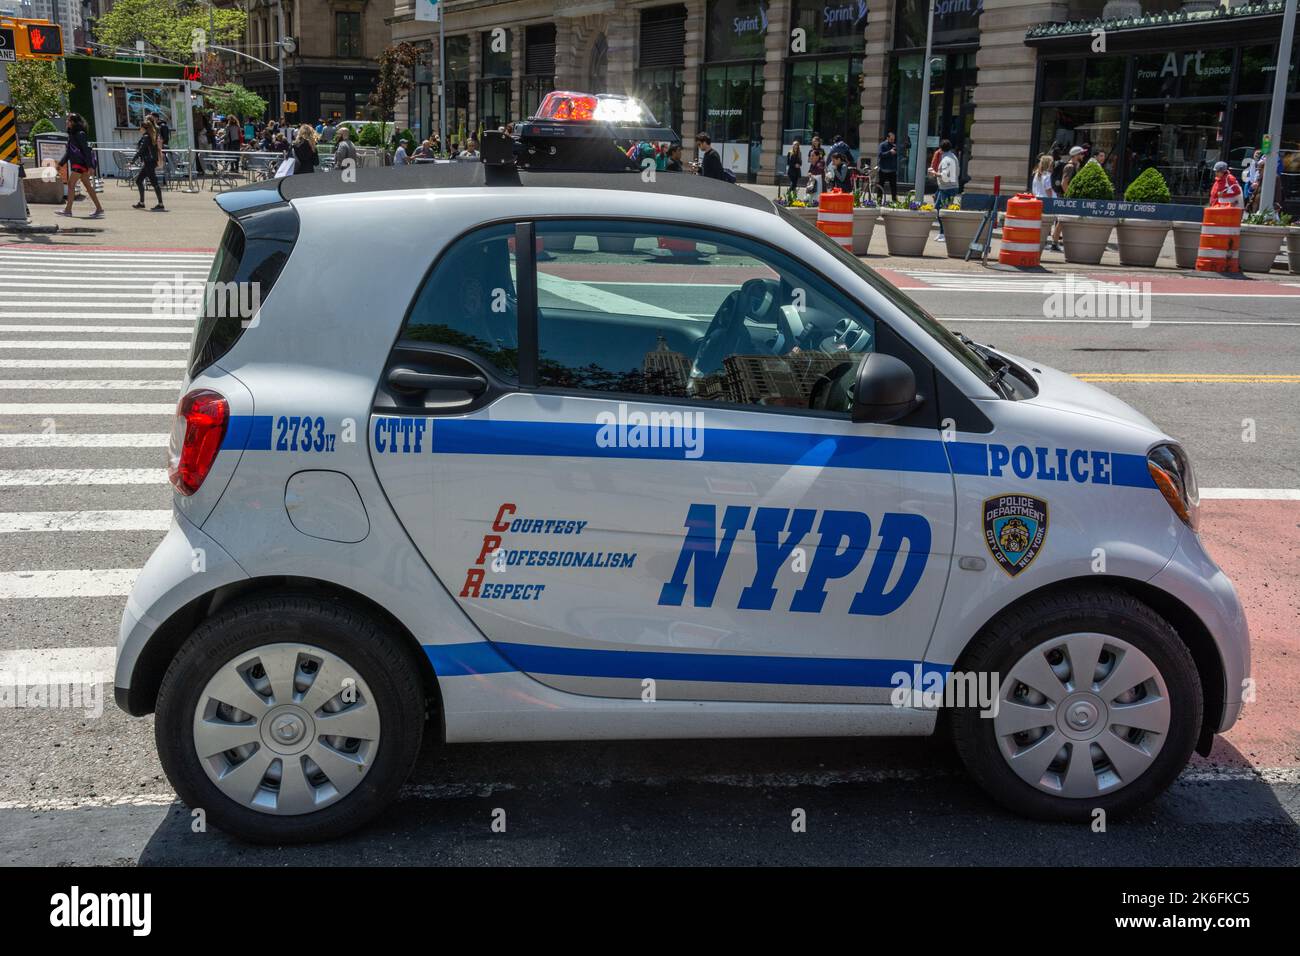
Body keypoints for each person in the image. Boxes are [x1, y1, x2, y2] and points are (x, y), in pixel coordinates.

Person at [54, 113, 104, 219]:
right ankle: (99, 209)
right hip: (80, 164)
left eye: (68, 120)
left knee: (71, 184)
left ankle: (68, 210)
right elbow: (69, 152)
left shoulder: (80, 134)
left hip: (80, 164)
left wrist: (90, 166)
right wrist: (60, 164)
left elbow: (86, 150)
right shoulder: (72, 134)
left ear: (73, 122)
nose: (66, 122)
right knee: (87, 186)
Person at [131, 116, 165, 211]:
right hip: (149, 162)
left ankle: (160, 204)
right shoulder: (149, 136)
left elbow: (141, 150)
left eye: (140, 127)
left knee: (154, 182)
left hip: (149, 162)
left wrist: (132, 160)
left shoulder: (146, 137)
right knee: (139, 181)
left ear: (144, 128)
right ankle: (142, 203)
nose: (139, 129)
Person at [1031, 154, 1057, 249]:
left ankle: (1041, 241)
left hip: (1038, 199)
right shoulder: (1047, 175)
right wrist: (1051, 200)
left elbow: (1034, 189)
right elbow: (1048, 189)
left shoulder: (1037, 174)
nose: (1053, 165)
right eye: (1051, 163)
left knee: (1040, 222)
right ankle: (1044, 242)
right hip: (1047, 200)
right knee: (1047, 224)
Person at [934, 140, 960, 236]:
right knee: (939, 208)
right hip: (949, 187)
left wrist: (934, 173)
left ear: (940, 149)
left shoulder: (945, 160)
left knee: (942, 211)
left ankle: (944, 233)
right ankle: (942, 232)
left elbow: (944, 175)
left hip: (947, 188)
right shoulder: (953, 157)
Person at [878, 131, 898, 202]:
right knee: (881, 185)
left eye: (894, 139)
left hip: (892, 170)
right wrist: (890, 152)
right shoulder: (882, 145)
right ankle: (879, 200)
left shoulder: (894, 146)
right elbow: (880, 155)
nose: (893, 141)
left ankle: (894, 200)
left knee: (893, 187)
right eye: (891, 139)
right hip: (883, 169)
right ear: (887, 138)